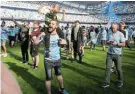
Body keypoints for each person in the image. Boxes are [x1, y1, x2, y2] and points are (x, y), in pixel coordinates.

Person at [36, 20, 68, 94]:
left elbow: (63, 45)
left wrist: (64, 43)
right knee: (48, 78)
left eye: (52, 24)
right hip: (48, 60)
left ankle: (62, 89)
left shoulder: (60, 34)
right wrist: (40, 36)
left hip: (57, 59)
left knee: (59, 75)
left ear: (56, 26)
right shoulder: (45, 34)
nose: (50, 25)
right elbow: (35, 43)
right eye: (50, 23)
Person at [102, 23, 125, 88]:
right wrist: (108, 42)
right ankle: (106, 82)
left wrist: (117, 44)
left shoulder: (120, 34)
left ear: (117, 28)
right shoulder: (109, 33)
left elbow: (124, 44)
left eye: (114, 28)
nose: (112, 29)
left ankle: (120, 81)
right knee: (108, 68)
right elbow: (106, 41)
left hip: (118, 54)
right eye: (112, 28)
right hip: (109, 53)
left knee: (118, 69)